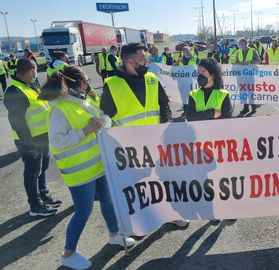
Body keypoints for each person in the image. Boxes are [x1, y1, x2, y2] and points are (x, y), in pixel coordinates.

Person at [38, 66, 135, 270]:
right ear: (76, 83)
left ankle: (115, 235)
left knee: (108, 201)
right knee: (83, 211)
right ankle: (68, 253)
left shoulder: (85, 100)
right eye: (85, 81)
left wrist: (104, 122)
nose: (88, 84)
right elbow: (57, 143)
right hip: (79, 171)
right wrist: (85, 130)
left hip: (98, 165)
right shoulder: (59, 109)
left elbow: (103, 119)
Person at [100, 43, 189, 227]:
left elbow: (164, 106)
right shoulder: (112, 85)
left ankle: (171, 215)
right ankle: (135, 223)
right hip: (127, 149)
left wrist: (167, 129)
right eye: (143, 58)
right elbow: (106, 119)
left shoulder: (151, 79)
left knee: (163, 181)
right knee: (134, 188)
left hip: (154, 144)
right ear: (130, 62)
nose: (147, 61)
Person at [4, 59, 62, 216]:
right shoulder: (14, 91)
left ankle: (43, 194)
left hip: (42, 136)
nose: (36, 73)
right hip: (30, 140)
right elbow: (17, 121)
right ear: (30, 70)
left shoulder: (30, 85)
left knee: (42, 168)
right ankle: (35, 206)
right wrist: (28, 144)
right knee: (32, 172)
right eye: (35, 70)